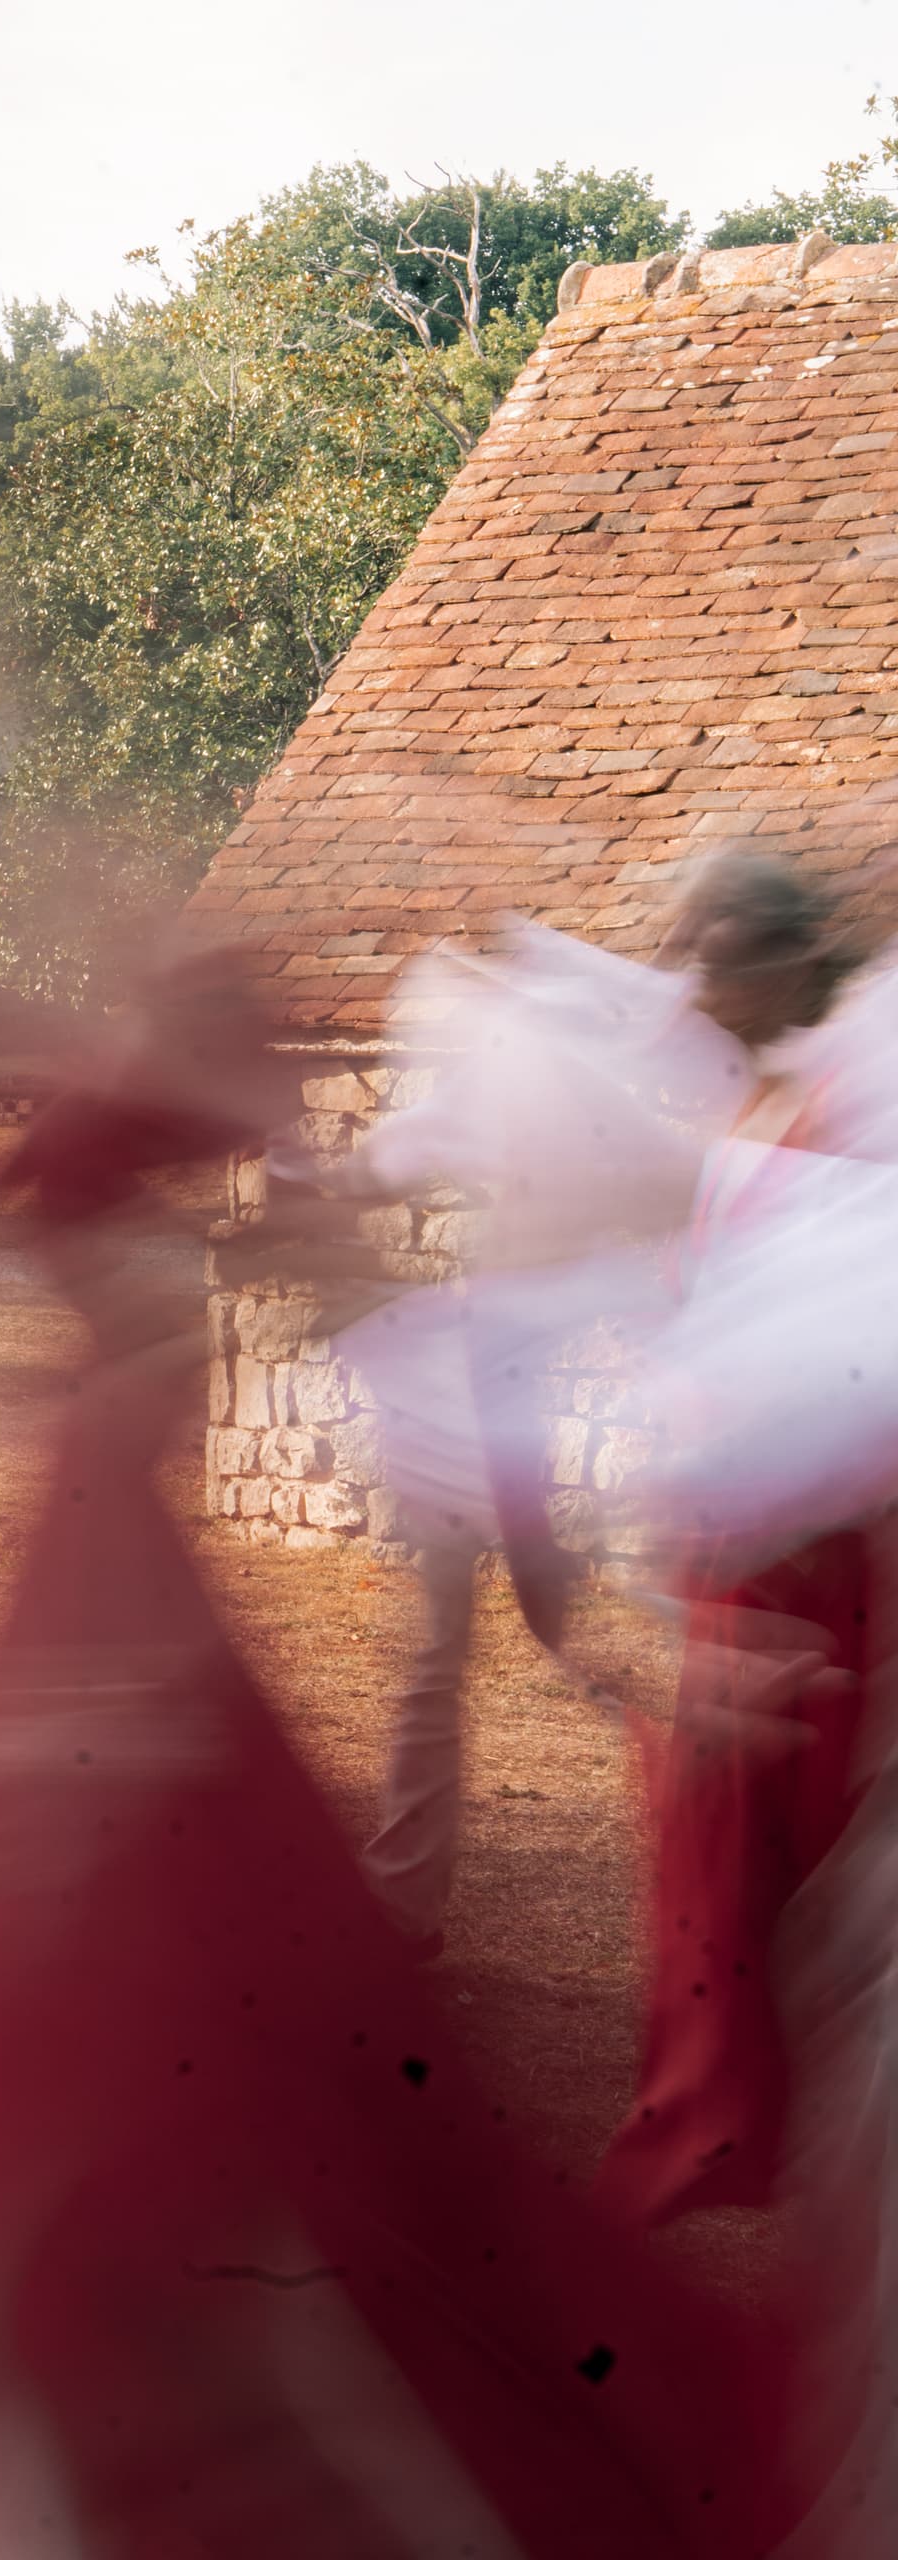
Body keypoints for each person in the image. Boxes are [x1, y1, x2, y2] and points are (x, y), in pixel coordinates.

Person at [0, 952, 791, 2558]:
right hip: (120, 1705)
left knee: (175, 2141)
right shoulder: (165, 1252)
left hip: (137, 1712)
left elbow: (400, 1377)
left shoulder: (190, 1244)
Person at [284, 921, 747, 1952]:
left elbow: (377, 1166)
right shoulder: (554, 1101)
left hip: (490, 1407)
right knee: (491, 1641)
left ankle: (413, 1895)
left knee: (513, 1641)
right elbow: (380, 1165)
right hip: (477, 1404)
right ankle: (405, 1896)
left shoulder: (540, 1098)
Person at [605, 854, 887, 2225]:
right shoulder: (746, 1109)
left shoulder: (853, 1110)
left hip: (840, 1524)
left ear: (780, 963)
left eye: (715, 953)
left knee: (827, 1810)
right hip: (735, 1517)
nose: (694, 982)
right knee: (716, 1826)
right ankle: (714, 2111)